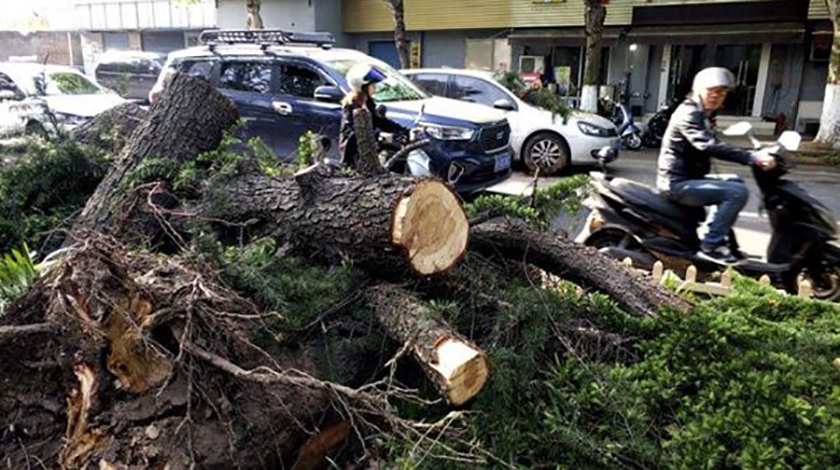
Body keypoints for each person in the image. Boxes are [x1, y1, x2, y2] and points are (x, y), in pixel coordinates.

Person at [657, 67, 777, 264]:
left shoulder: (702, 113)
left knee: (734, 181)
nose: (716, 96)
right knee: (736, 193)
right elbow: (708, 145)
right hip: (677, 183)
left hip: (688, 178)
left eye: (721, 92)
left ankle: (711, 231)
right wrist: (751, 158)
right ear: (698, 90)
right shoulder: (689, 113)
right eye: (711, 91)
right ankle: (710, 246)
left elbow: (714, 144)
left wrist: (760, 150)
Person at [339, 64, 406, 168]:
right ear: (363, 86)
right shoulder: (351, 105)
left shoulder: (368, 103)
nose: (375, 88)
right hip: (354, 152)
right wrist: (379, 135)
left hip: (370, 148)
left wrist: (404, 130)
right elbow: (354, 131)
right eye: (372, 85)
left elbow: (380, 121)